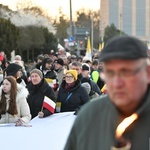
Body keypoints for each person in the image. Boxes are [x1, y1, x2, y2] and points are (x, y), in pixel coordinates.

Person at [64, 36, 150, 150]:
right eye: (110, 73)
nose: (117, 83)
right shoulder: (88, 116)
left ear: (147, 73)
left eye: (126, 72)